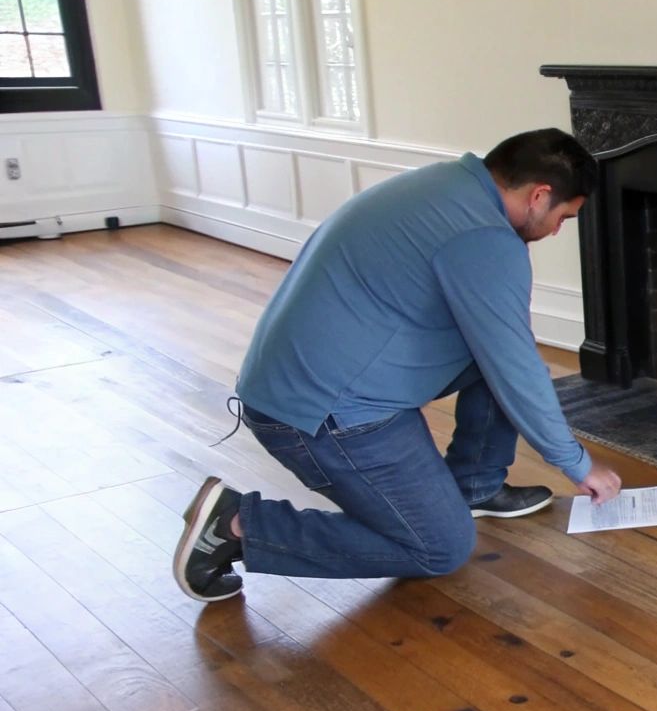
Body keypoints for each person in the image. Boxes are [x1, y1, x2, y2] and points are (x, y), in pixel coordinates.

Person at [171, 128, 623, 602]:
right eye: (564, 218)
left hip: (296, 385)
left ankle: (474, 486)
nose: (555, 231)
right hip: (323, 416)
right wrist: (578, 465)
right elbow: (516, 369)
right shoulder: (486, 238)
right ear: (539, 195)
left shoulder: (444, 185)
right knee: (440, 546)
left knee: (501, 353)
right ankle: (238, 525)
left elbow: (506, 350)